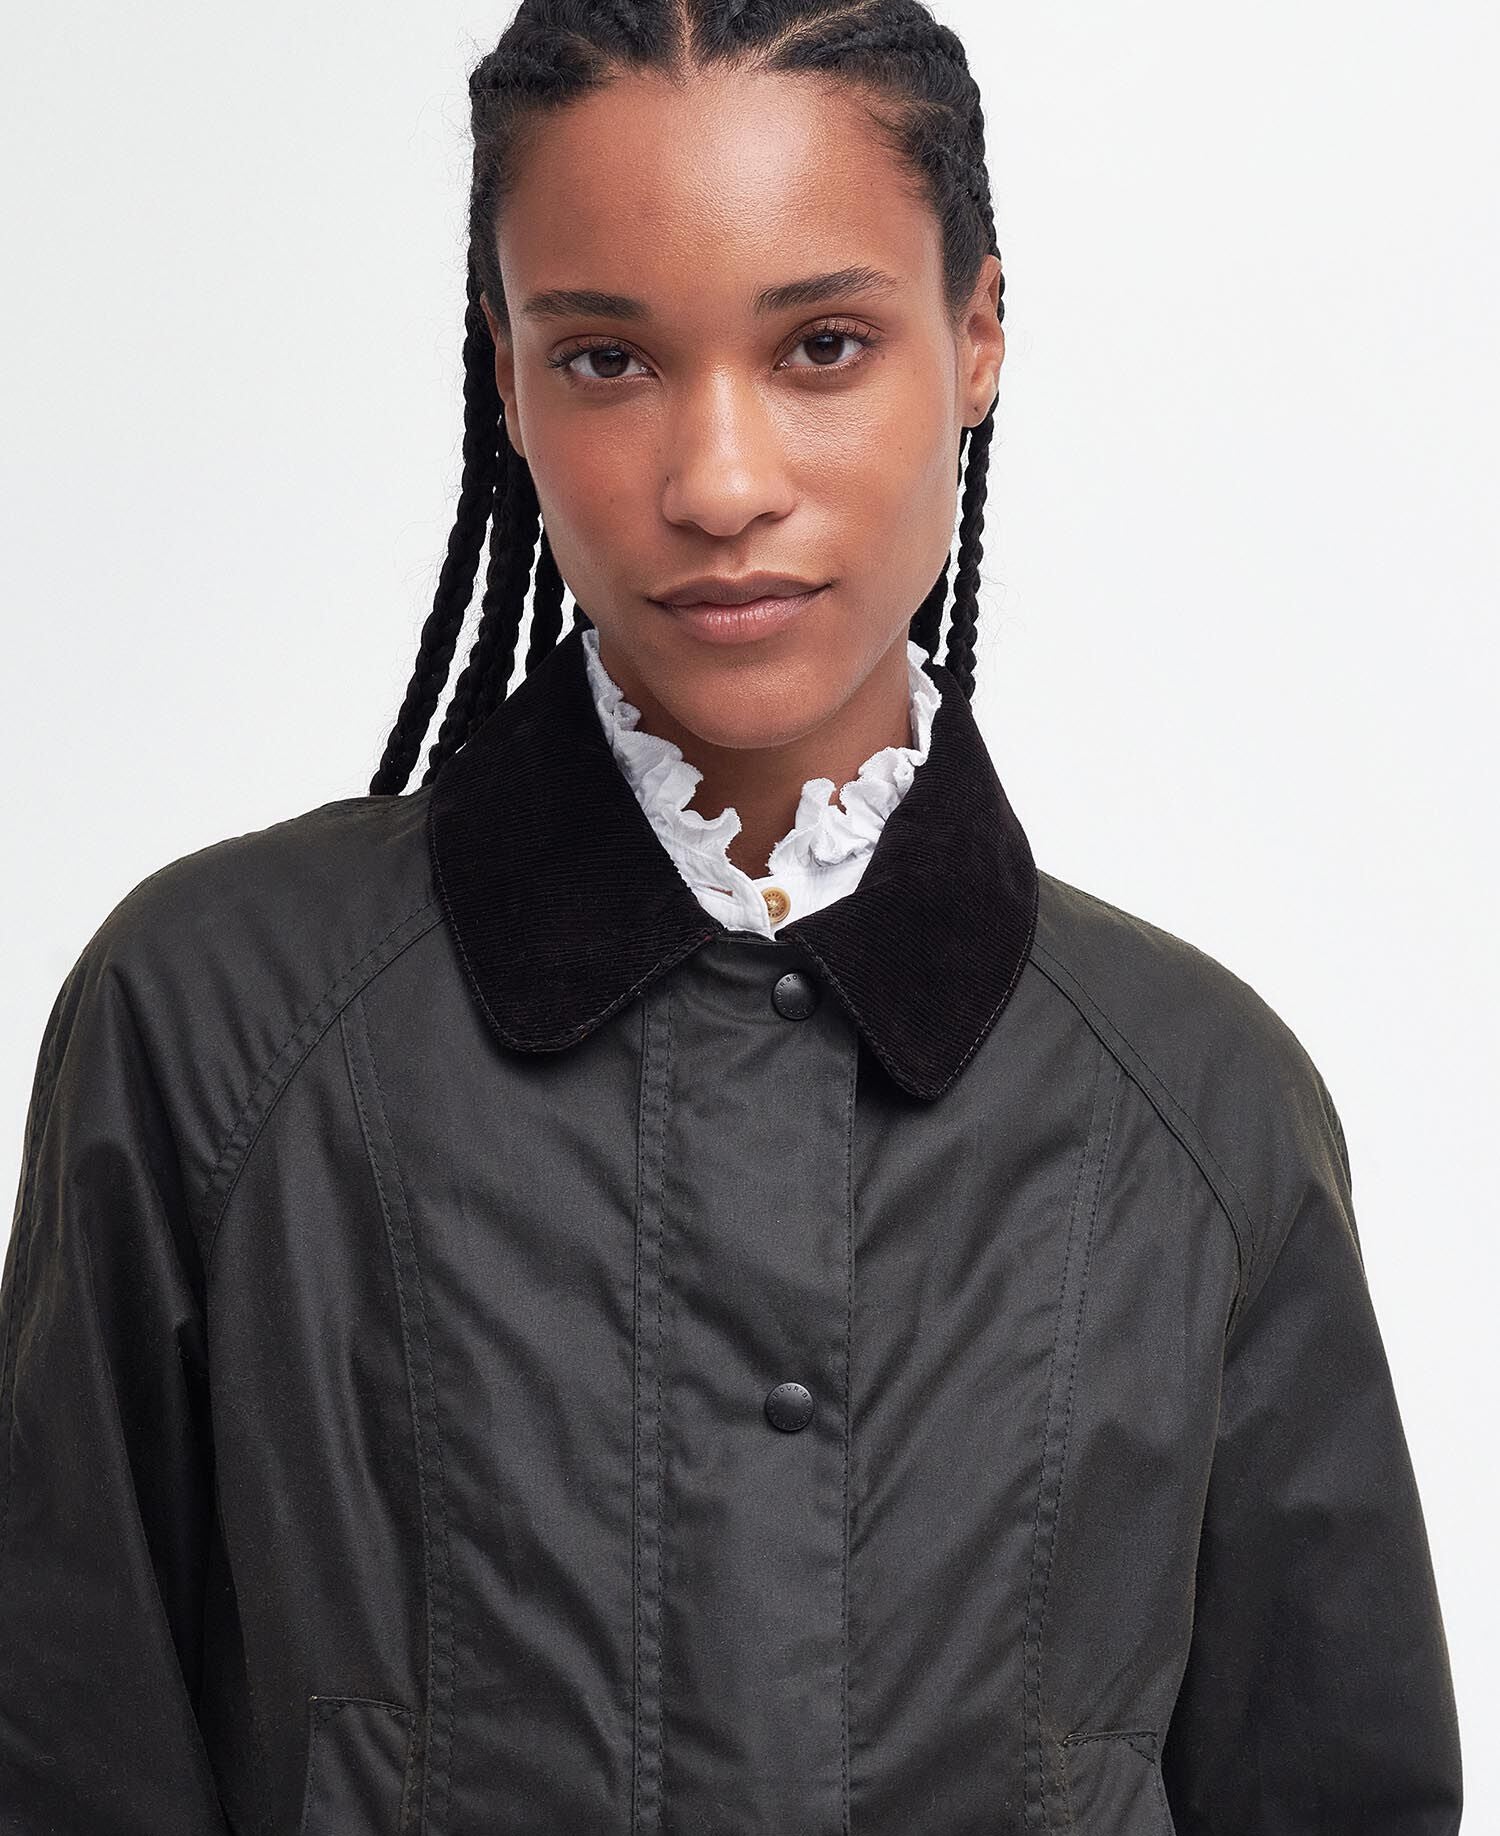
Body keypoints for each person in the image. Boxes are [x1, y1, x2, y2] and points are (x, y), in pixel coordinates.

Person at [0, 2, 1463, 1831]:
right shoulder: (212, 1029)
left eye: (822, 345)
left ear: (978, 334)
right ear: (507, 375)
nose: (718, 483)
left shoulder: (1204, 1106)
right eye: (608, 359)